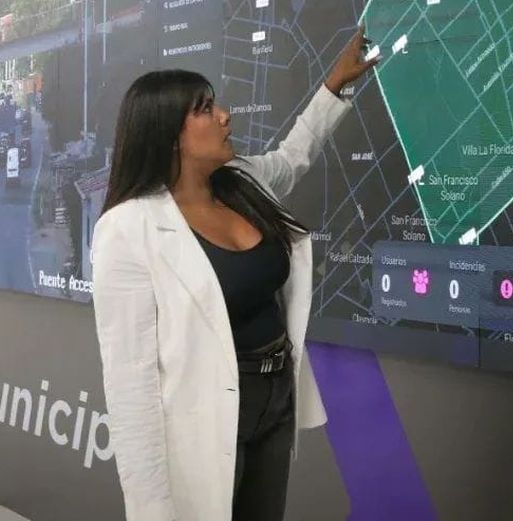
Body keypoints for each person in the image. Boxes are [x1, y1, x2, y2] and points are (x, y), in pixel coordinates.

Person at [91, 27, 378, 521]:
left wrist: (333, 87)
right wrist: (149, 508)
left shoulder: (241, 182)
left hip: (276, 398)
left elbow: (292, 157)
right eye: (205, 109)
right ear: (170, 135)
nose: (225, 115)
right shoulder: (127, 228)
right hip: (206, 412)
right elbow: (129, 382)